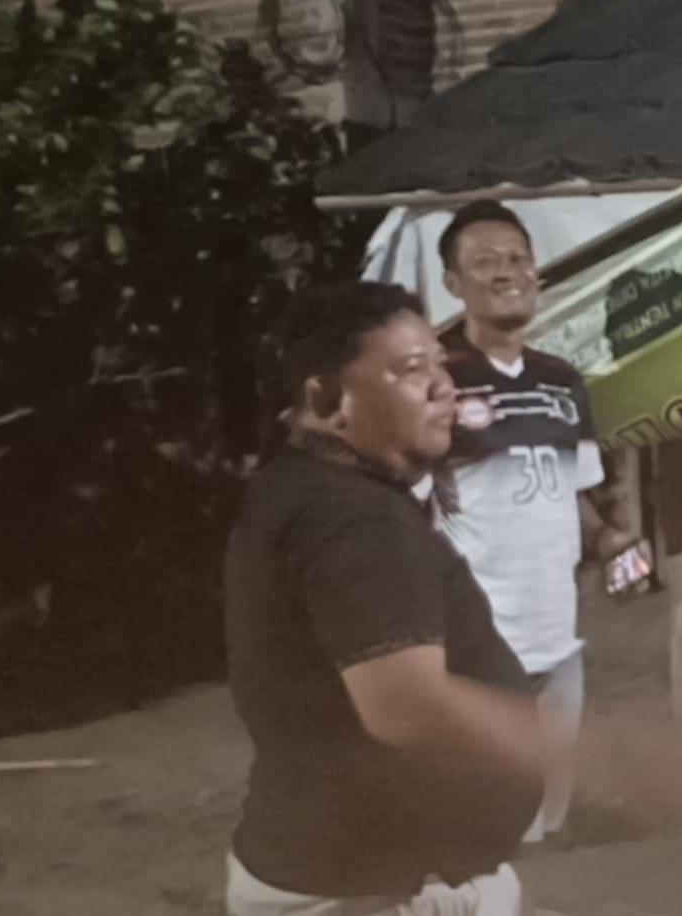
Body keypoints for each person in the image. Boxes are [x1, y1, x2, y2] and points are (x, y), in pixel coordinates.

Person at [223, 282, 547, 916]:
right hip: (375, 895)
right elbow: (405, 708)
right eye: (410, 369)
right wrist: (589, 753)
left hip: (354, 879)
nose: (442, 387)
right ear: (326, 399)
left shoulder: (304, 491)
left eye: (440, 364)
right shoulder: (352, 517)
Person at [434, 200, 643, 846]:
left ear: (537, 274)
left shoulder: (562, 381)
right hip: (474, 646)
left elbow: (572, 495)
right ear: (453, 283)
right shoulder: (435, 383)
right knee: (474, 828)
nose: (506, 272)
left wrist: (611, 542)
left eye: (518, 258)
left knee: (538, 830)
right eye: (485, 262)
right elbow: (402, 508)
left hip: (557, 641)